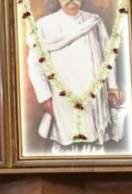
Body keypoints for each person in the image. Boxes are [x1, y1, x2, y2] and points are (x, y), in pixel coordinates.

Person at [26, 0, 126, 154]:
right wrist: (45, 96)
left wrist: (112, 86)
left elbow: (108, 56)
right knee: (64, 144)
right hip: (61, 97)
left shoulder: (94, 21)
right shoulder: (44, 25)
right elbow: (35, 64)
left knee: (93, 145)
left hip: (93, 95)